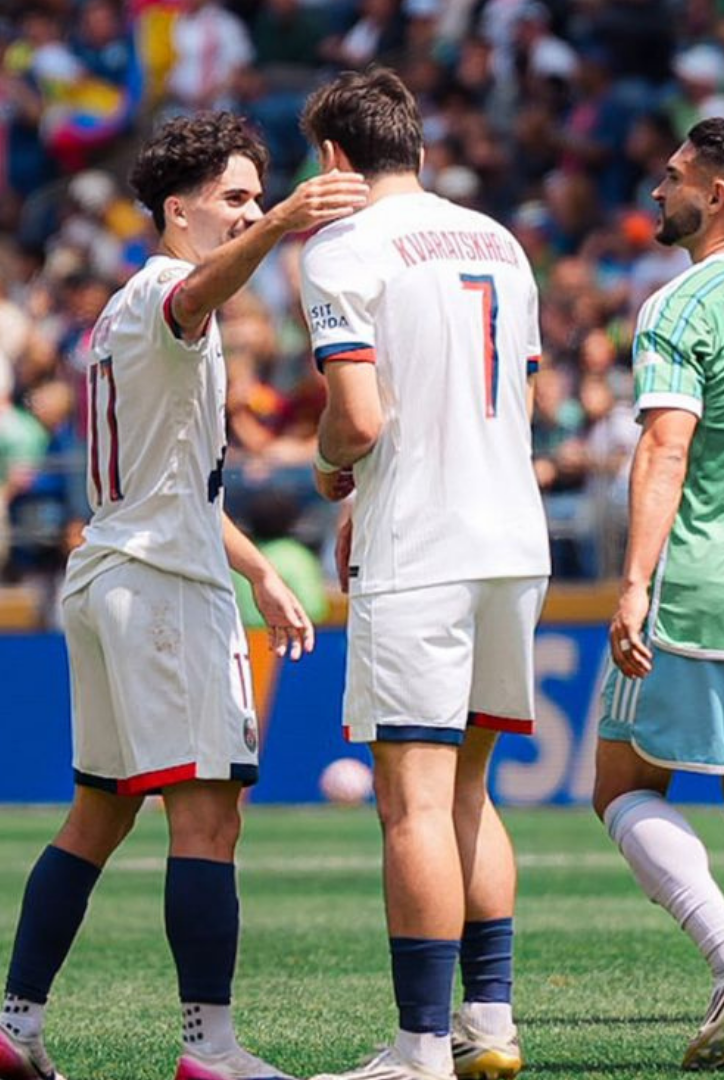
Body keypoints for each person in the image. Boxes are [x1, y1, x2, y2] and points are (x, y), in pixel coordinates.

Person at [0, 111, 364, 1080]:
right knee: (209, 817)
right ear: (176, 209)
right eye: (235, 197)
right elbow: (194, 296)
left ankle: (14, 1029)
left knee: (98, 816)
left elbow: (173, 481)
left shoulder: (116, 314)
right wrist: (285, 230)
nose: (252, 212)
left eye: (259, 197)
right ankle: (211, 1050)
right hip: (162, 588)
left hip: (115, 567)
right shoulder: (165, 297)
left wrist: (263, 570)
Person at [298, 69, 550, 1080]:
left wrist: (328, 467)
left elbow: (359, 419)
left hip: (423, 545)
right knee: (472, 794)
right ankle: (488, 1026)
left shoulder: (341, 247)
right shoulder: (501, 240)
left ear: (333, 159)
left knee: (411, 801)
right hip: (513, 537)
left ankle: (416, 1048)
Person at [596, 117, 724, 1072]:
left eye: (673, 177)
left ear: (715, 193)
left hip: (699, 588)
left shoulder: (681, 306)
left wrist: (633, 583)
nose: (657, 191)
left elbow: (666, 445)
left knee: (621, 784)